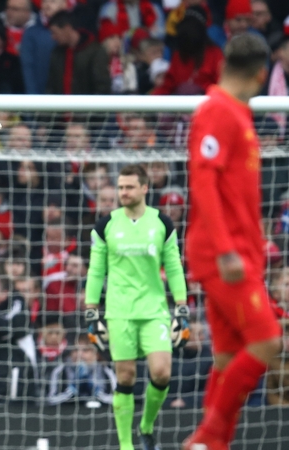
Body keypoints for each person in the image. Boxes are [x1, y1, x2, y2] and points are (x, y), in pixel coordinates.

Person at [182, 34, 283, 450]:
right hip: (223, 253)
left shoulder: (234, 111)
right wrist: (226, 250)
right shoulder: (218, 111)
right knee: (268, 341)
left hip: (238, 252)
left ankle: (213, 444)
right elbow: (203, 181)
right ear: (261, 74)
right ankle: (207, 437)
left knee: (227, 356)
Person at [85, 164, 188, 450]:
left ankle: (146, 426)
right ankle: (126, 445)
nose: (123, 192)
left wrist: (181, 307)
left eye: (129, 187)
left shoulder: (162, 223)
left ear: (144, 188)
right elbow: (96, 271)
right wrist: (91, 311)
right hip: (119, 312)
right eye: (120, 187)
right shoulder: (105, 225)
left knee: (162, 373)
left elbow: (174, 267)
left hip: (155, 310)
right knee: (126, 376)